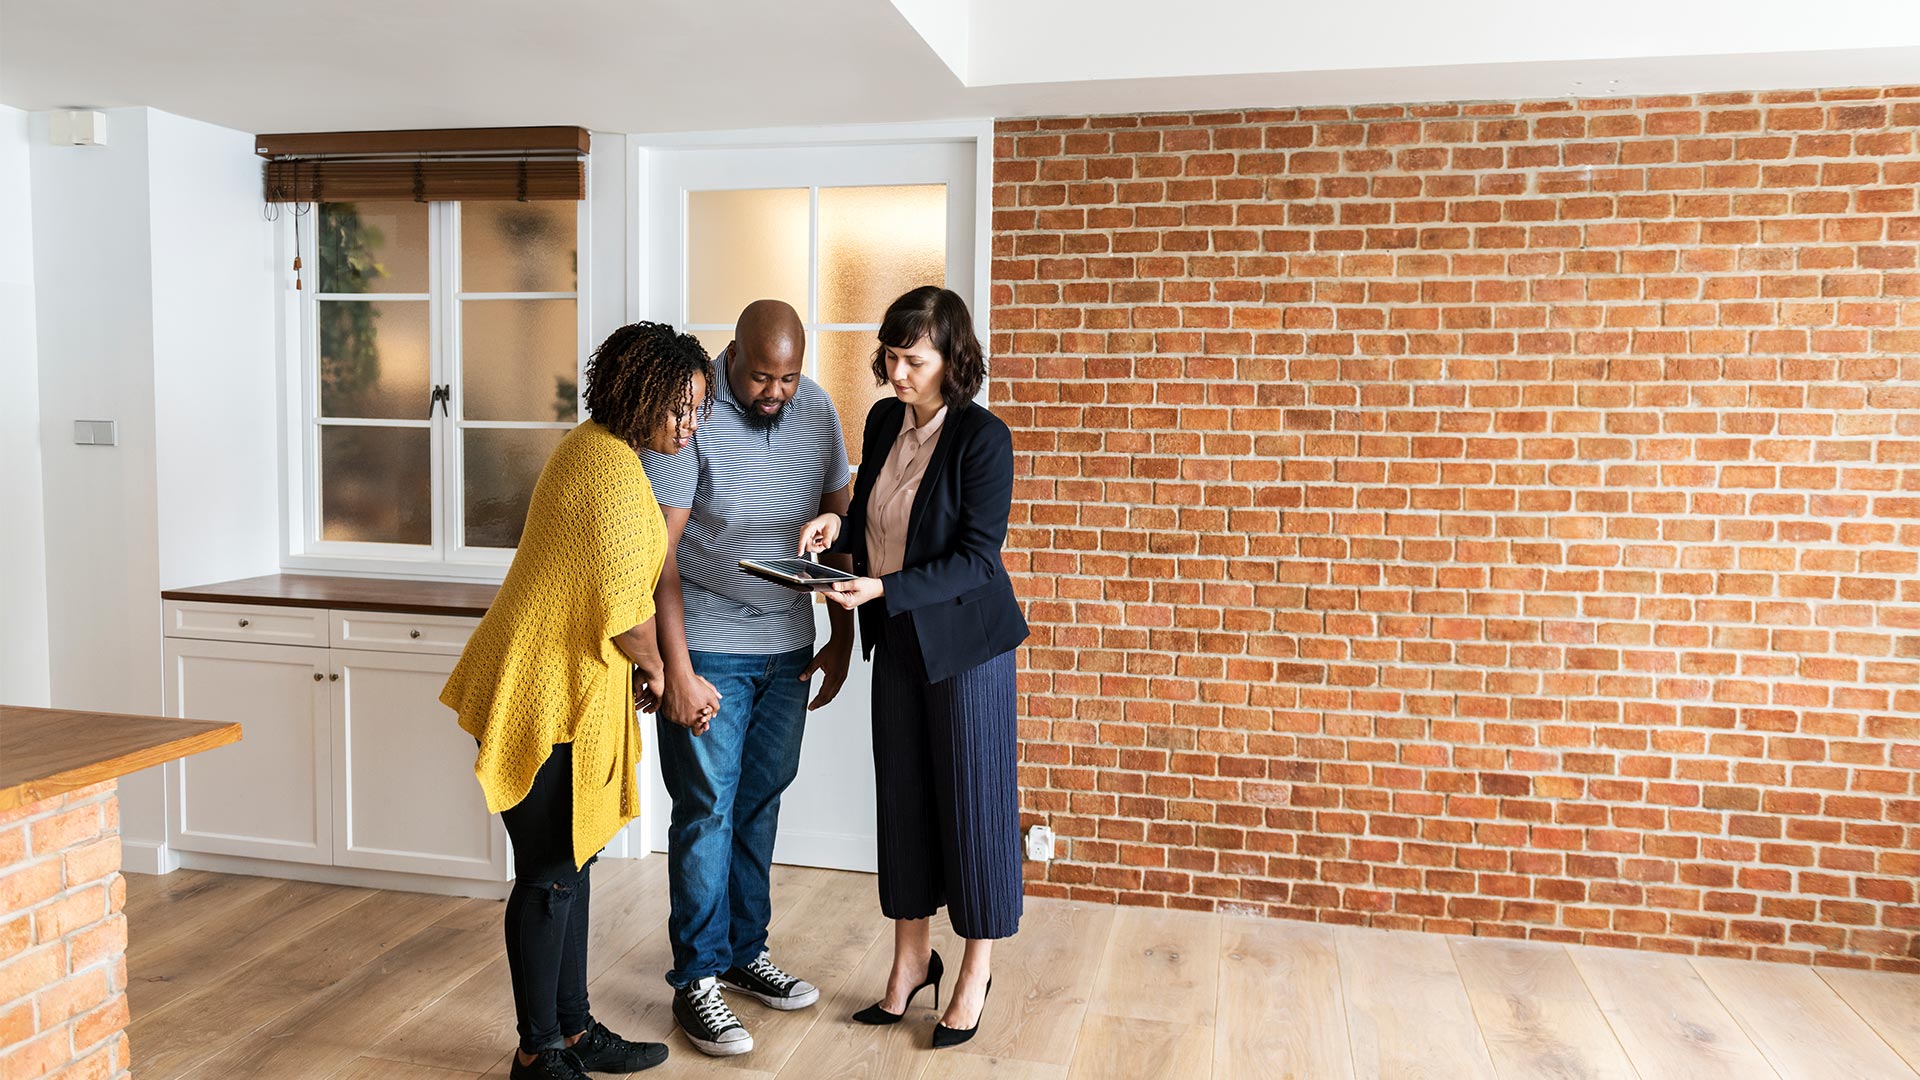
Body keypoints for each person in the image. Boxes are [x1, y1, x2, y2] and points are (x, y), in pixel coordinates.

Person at [441, 321, 714, 1080]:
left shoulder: (599, 453)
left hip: (561, 689)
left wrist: (655, 673)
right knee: (549, 873)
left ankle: (572, 1031)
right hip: (541, 696)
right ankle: (537, 1052)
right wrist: (669, 681)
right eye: (680, 408)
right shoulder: (609, 475)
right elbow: (627, 620)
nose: (690, 425)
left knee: (570, 863)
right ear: (640, 394)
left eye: (698, 411)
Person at [796, 285, 1028, 1049]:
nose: (896, 372)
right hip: (894, 639)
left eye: (914, 359)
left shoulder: (982, 439)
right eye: (891, 357)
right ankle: (909, 962)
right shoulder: (881, 420)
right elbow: (872, 516)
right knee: (902, 804)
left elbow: (974, 559)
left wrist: (883, 587)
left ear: (952, 360)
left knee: (972, 807)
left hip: (966, 651)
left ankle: (975, 969)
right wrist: (838, 527)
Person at [642, 299, 856, 1057]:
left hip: (788, 646)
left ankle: (742, 952)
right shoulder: (692, 410)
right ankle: (696, 978)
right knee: (706, 809)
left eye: (789, 378)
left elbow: (839, 524)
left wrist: (839, 635)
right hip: (710, 647)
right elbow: (659, 558)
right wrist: (677, 667)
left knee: (760, 800)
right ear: (733, 356)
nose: (776, 392)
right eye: (763, 377)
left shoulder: (819, 409)